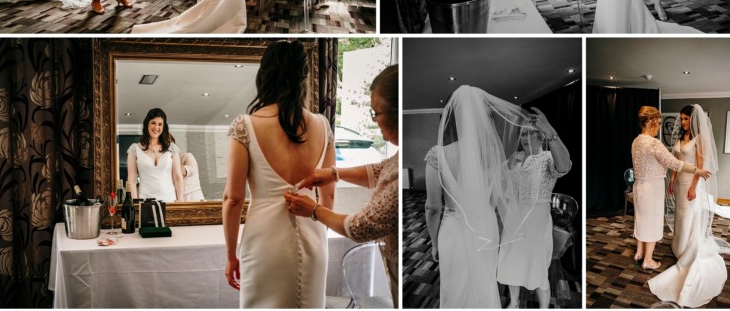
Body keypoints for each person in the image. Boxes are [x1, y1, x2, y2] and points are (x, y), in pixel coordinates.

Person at [222, 40, 336, 308]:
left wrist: (230, 255)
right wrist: (320, 234)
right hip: (314, 239)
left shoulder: (245, 125)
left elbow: (233, 199)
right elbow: (328, 192)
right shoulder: (322, 125)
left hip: (264, 243)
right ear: (304, 77)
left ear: (265, 75)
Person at [285, 64, 399, 307]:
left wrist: (314, 210)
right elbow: (379, 171)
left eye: (376, 113)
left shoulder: (400, 174)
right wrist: (334, 174)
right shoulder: (399, 157)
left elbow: (360, 228)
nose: (375, 120)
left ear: (395, 114)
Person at [423, 85, 534, 308]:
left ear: (451, 119)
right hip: (485, 226)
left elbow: (432, 207)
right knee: (484, 282)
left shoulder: (438, 154)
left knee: (454, 285)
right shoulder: (492, 153)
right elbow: (494, 197)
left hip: (453, 226)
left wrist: (434, 243)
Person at [647, 105, 728, 307]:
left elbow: (700, 167)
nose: (682, 122)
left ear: (692, 120)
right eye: (681, 119)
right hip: (679, 181)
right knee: (680, 216)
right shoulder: (680, 139)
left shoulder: (699, 140)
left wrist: (693, 187)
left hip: (692, 184)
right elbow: (677, 160)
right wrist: (672, 180)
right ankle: (678, 246)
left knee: (689, 216)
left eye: (685, 119)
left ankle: (687, 249)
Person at [497, 114, 572, 309]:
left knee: (537, 268)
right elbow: (499, 187)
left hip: (537, 223)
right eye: (522, 134)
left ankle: (544, 307)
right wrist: (511, 166)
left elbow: (564, 166)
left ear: (541, 136)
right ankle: (514, 302)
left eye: (530, 133)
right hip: (514, 221)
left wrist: (551, 134)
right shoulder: (516, 159)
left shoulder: (547, 158)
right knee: (511, 262)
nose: (524, 138)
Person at [630, 106, 711, 272]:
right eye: (658, 123)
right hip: (652, 188)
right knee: (652, 222)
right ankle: (648, 260)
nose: (660, 126)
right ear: (651, 122)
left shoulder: (636, 141)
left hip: (639, 186)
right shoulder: (653, 143)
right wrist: (698, 170)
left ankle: (639, 252)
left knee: (640, 219)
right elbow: (675, 163)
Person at [126, 108, 184, 202]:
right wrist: (135, 202)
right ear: (147, 124)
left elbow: (177, 176)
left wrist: (181, 200)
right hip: (145, 201)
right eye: (153, 123)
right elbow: (132, 180)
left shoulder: (172, 148)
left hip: (169, 199)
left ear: (163, 127)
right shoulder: (134, 149)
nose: (156, 127)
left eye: (160, 124)